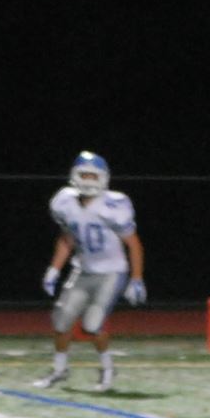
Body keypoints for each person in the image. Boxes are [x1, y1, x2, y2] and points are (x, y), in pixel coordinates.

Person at [35, 152, 145, 391]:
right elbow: (67, 239)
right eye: (83, 174)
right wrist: (54, 269)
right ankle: (59, 369)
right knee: (62, 320)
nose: (88, 179)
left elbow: (133, 244)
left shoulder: (114, 204)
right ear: (74, 176)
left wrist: (136, 278)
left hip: (112, 272)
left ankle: (107, 369)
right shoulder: (64, 201)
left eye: (92, 175)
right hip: (83, 270)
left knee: (93, 323)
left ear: (103, 178)